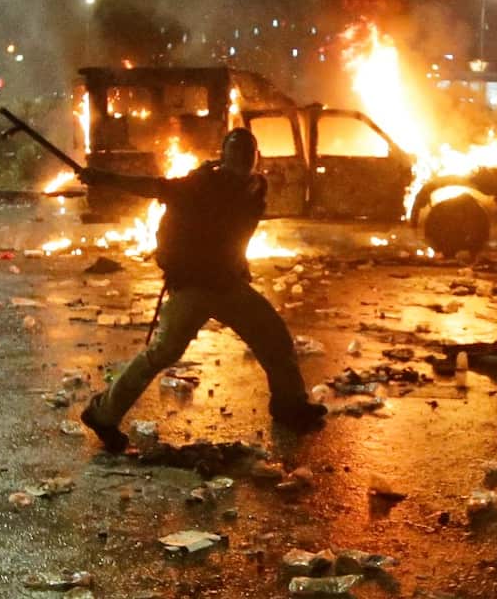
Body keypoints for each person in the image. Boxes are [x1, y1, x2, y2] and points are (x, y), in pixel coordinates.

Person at [77, 127, 325, 452]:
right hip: (193, 286)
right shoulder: (199, 184)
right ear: (224, 157)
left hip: (228, 284)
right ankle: (102, 414)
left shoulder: (253, 188)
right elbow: (153, 187)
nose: (241, 161)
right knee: (161, 354)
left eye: (247, 155)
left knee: (274, 338)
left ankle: (289, 406)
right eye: (235, 154)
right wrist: (103, 177)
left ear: (255, 159)